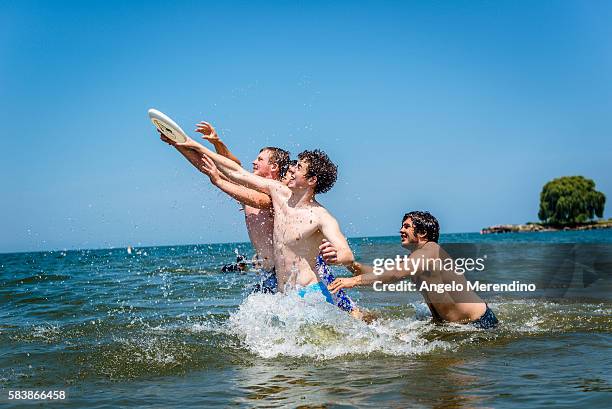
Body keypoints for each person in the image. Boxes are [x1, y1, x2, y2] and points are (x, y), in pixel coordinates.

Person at [177, 137, 362, 317]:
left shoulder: (320, 215)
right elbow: (235, 170)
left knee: (348, 319)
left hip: (310, 290)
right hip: (283, 289)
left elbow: (346, 253)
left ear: (311, 180)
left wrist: (338, 257)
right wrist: (194, 145)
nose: (291, 169)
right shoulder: (279, 192)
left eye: (297, 167)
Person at [158, 122, 290, 293]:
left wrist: (219, 178)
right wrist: (176, 142)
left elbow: (234, 172)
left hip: (285, 275)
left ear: (274, 167)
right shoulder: (249, 190)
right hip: (266, 274)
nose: (254, 161)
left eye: (260, 159)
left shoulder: (279, 194)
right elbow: (215, 167)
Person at [326, 211, 499, 329]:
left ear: (422, 232)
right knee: (377, 321)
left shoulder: (432, 250)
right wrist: (349, 263)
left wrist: (353, 281)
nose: (401, 230)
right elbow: (379, 271)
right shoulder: (417, 258)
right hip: (449, 326)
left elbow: (396, 273)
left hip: (478, 325)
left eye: (407, 226)